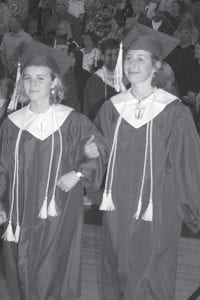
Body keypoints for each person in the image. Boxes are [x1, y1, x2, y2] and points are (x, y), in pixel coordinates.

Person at [94, 35, 200, 300]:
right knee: (117, 264)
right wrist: (86, 158)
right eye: (128, 58)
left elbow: (189, 163)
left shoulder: (175, 111)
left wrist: (193, 208)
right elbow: (96, 152)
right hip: (117, 204)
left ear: (156, 67)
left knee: (153, 270)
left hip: (159, 206)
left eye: (140, 58)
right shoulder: (112, 109)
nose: (131, 63)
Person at [0, 54, 106, 300]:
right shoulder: (12, 124)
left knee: (52, 268)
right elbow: (2, 168)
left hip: (58, 207)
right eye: (27, 78)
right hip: (20, 208)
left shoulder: (71, 120)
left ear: (54, 83)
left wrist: (79, 172)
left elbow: (98, 147)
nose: (32, 83)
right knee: (22, 266)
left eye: (40, 78)